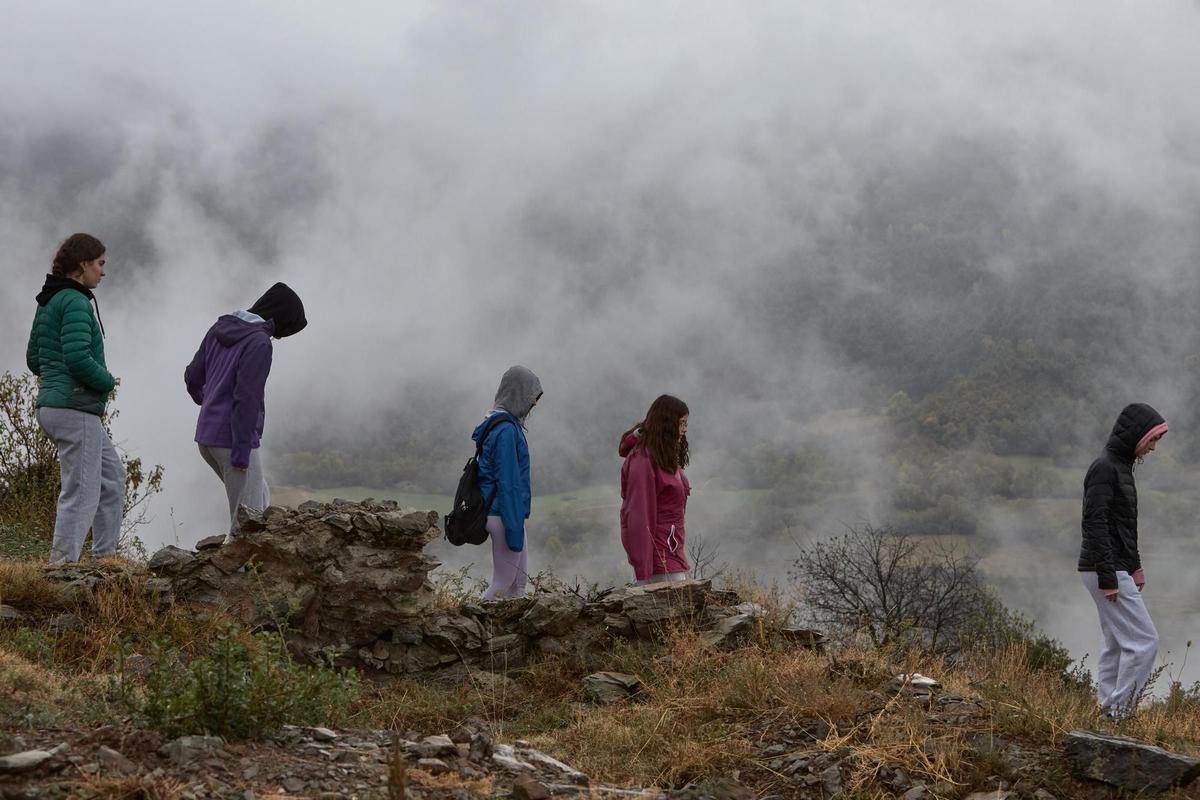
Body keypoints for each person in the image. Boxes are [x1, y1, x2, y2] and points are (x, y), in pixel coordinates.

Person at [26, 233, 126, 564]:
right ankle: (61, 568)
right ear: (83, 265)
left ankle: (105, 561)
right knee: (82, 490)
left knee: (112, 478)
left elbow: (33, 360)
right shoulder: (76, 302)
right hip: (74, 407)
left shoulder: (49, 300)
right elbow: (79, 358)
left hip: (54, 405)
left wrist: (56, 379)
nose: (103, 271)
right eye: (100, 264)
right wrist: (107, 382)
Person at [184, 282, 306, 541]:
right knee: (248, 524)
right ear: (280, 319)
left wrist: (208, 403)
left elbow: (192, 376)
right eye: (285, 329)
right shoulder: (259, 342)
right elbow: (246, 398)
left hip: (207, 439)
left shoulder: (219, 327)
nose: (281, 337)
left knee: (259, 495)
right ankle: (238, 578)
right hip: (233, 440)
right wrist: (241, 450)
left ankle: (246, 572)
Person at [1078, 402, 1168, 720]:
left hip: (1111, 567)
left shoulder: (1120, 467)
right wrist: (1109, 575)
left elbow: (1123, 526)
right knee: (1145, 642)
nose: (1154, 448)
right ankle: (1116, 715)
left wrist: (1134, 567)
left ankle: (1106, 712)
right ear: (1137, 435)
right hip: (1104, 568)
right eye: (1152, 440)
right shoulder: (1105, 467)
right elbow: (1095, 522)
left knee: (1116, 642)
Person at [474, 366, 542, 600]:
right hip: (503, 513)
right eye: (532, 396)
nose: (534, 403)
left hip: (505, 513)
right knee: (502, 583)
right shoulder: (506, 430)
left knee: (518, 586)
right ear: (519, 393)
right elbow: (509, 482)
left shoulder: (502, 425)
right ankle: (474, 629)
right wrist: (514, 529)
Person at [619, 395, 691, 585]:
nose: (684, 430)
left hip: (670, 551)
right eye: (682, 423)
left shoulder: (661, 456)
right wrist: (644, 571)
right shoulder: (643, 461)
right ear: (667, 424)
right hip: (659, 561)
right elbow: (639, 516)